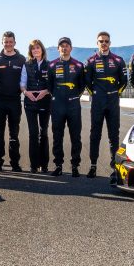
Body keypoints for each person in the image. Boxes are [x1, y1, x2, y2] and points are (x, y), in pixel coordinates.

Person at [84, 31, 127, 178]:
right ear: (97, 43)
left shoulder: (118, 60)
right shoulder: (90, 61)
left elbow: (124, 81)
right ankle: (93, 165)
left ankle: (115, 166)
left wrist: (115, 93)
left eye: (106, 41)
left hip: (113, 102)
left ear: (110, 43)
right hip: (98, 102)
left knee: (114, 135)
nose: (104, 43)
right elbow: (87, 82)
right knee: (95, 134)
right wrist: (95, 94)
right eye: (101, 41)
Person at [49, 37, 86, 176]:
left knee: (76, 137)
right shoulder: (52, 65)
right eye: (62, 46)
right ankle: (58, 165)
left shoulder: (78, 65)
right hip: (57, 106)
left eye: (67, 45)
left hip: (73, 106)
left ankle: (75, 166)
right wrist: (57, 97)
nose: (64, 48)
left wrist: (74, 97)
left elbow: (82, 86)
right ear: (58, 48)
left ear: (71, 48)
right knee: (57, 137)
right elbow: (49, 85)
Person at [0, 31, 25, 172]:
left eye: (11, 42)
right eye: (6, 42)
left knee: (14, 134)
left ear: (15, 43)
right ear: (2, 42)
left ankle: (15, 163)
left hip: (15, 101)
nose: (8, 44)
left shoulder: (21, 59)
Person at [21, 39, 51, 173]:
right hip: (30, 101)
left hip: (45, 101)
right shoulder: (26, 65)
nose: (35, 50)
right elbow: (22, 83)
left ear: (42, 49)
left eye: (38, 47)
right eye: (33, 48)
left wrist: (46, 91)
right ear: (30, 51)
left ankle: (44, 165)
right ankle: (34, 165)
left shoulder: (50, 65)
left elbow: (52, 83)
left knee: (43, 133)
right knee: (33, 133)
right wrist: (26, 92)